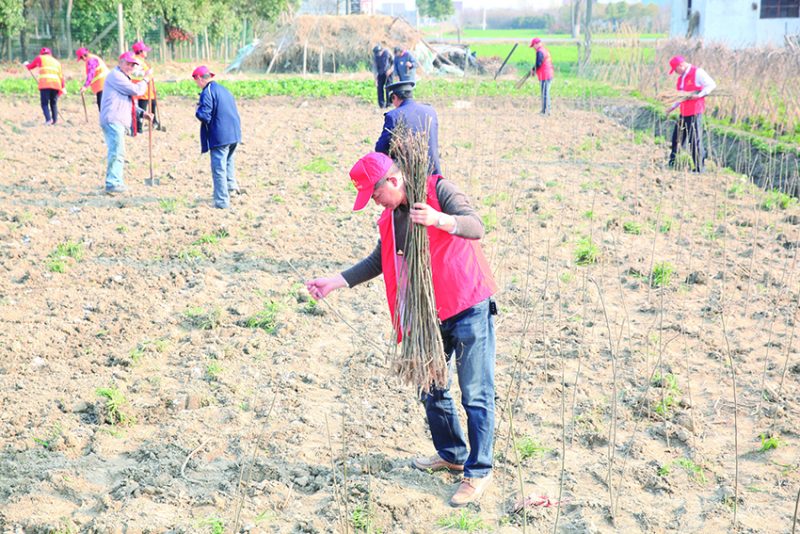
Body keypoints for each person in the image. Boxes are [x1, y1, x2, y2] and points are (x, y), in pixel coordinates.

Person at [306, 152, 498, 507]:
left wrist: (440, 219)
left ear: (393, 181)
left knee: (475, 393)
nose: (374, 202)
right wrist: (335, 281)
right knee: (430, 385)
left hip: (468, 303)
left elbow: (476, 226)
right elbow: (378, 260)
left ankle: (479, 471)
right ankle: (453, 454)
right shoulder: (391, 217)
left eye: (375, 194)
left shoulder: (439, 190)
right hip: (429, 314)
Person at [99, 52, 151, 194]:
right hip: (113, 118)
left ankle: (115, 181)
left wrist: (142, 113)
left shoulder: (123, 77)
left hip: (117, 119)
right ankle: (113, 182)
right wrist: (146, 79)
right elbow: (136, 91)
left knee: (118, 151)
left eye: (133, 65)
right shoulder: (116, 76)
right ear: (120, 62)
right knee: (117, 152)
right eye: (128, 64)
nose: (130, 67)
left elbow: (127, 101)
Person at [192, 65, 242, 209]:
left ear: (199, 78)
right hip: (234, 133)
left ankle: (221, 202)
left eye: (196, 80)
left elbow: (205, 115)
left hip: (220, 135)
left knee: (219, 168)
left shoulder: (207, 92)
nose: (196, 83)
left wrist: (197, 110)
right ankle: (232, 189)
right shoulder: (224, 89)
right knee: (228, 162)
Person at [375, 80, 441, 175]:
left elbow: (381, 148)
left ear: (394, 97)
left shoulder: (394, 116)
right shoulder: (430, 110)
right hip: (433, 171)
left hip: (410, 175)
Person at [666, 55, 716, 173]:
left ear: (681, 66)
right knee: (677, 138)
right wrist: (671, 107)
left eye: (676, 70)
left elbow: (711, 85)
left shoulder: (698, 72)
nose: (676, 73)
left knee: (694, 140)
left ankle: (699, 168)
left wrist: (699, 95)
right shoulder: (681, 79)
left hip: (695, 112)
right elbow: (680, 97)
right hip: (684, 112)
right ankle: (673, 163)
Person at [24, 47, 64, 125]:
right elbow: (61, 77)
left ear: (41, 53)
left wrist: (26, 64)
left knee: (44, 103)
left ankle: (48, 120)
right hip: (56, 85)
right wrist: (63, 87)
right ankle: (54, 121)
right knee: (53, 103)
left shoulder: (40, 58)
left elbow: (30, 66)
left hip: (45, 84)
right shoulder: (57, 62)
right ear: (50, 54)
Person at [131, 40, 160, 132]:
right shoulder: (136, 61)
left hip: (148, 88)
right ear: (140, 52)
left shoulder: (141, 60)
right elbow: (134, 73)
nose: (146, 52)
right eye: (145, 50)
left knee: (153, 103)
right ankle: (138, 128)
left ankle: (154, 122)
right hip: (142, 89)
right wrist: (146, 73)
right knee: (142, 108)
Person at [529, 38, 554, 115]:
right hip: (547, 74)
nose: (533, 48)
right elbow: (539, 63)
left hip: (545, 75)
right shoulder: (544, 50)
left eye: (533, 45)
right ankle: (545, 110)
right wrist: (533, 69)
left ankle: (545, 111)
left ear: (536, 44)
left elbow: (538, 63)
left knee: (545, 93)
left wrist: (533, 70)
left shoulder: (539, 52)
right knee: (545, 92)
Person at [372, 44, 393, 109]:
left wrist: (390, 70)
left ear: (382, 50)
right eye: (377, 53)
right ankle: (381, 104)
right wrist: (375, 79)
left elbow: (394, 63)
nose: (378, 54)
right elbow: (375, 68)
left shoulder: (388, 53)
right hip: (380, 74)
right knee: (379, 89)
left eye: (379, 52)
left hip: (388, 73)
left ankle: (389, 104)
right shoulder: (375, 57)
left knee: (388, 88)